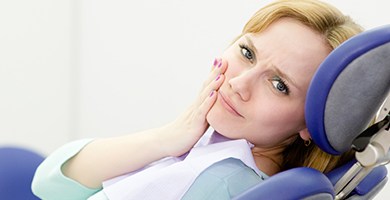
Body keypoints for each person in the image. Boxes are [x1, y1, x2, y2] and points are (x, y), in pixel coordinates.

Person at [32, 0, 364, 199]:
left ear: (311, 122)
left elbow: (50, 188)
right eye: (247, 52)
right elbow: (50, 180)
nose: (238, 83)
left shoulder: (225, 181)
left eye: (279, 85)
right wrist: (172, 136)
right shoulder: (217, 145)